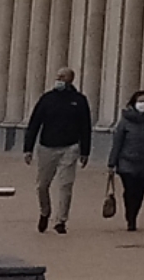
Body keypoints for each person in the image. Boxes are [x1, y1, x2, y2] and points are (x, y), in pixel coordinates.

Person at [23, 66, 92, 233]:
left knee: (65, 185)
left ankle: (61, 220)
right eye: (58, 76)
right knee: (42, 185)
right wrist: (28, 148)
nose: (59, 79)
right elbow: (34, 123)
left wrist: (85, 151)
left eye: (63, 76)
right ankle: (44, 211)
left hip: (70, 147)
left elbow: (85, 126)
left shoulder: (79, 100)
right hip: (47, 147)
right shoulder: (47, 99)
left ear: (71, 79)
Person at [106, 88, 144, 230]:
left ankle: (134, 213)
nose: (143, 104)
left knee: (140, 191)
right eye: (140, 101)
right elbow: (117, 142)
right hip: (126, 162)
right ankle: (130, 217)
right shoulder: (125, 121)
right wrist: (111, 163)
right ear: (134, 103)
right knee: (130, 190)